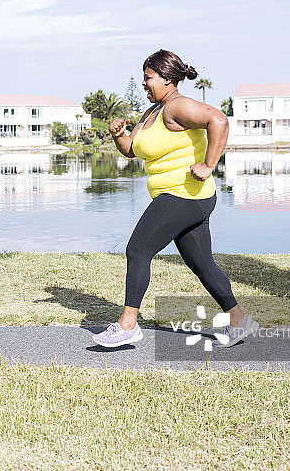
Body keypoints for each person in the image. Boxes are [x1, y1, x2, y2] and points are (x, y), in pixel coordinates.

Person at [93, 49, 258, 348]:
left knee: (138, 249)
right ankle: (238, 320)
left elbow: (218, 120)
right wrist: (119, 135)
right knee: (202, 264)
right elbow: (132, 150)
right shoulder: (153, 112)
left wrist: (209, 165)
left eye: (148, 78)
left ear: (167, 79)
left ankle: (128, 325)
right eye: (143, 79)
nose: (144, 84)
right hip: (185, 198)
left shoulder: (177, 106)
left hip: (184, 195)